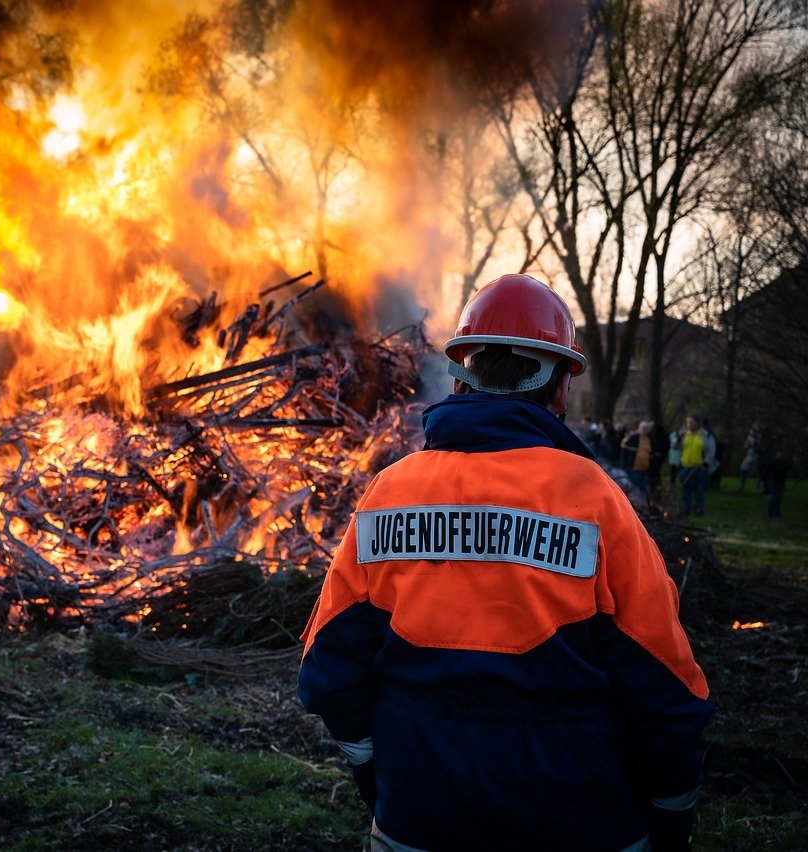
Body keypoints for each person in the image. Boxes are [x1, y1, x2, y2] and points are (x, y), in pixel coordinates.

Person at [298, 273, 713, 852]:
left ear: (460, 377)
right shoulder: (595, 500)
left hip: (418, 823)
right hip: (580, 828)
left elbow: (327, 671)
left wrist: (380, 781)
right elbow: (669, 691)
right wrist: (669, 824)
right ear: (561, 387)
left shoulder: (390, 492)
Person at [678, 415, 715, 517]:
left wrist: (706, 462)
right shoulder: (684, 435)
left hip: (699, 468)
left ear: (697, 423)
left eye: (691, 422)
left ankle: (699, 509)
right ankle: (686, 509)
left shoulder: (705, 435)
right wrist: (678, 437)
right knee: (686, 490)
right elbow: (676, 447)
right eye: (688, 422)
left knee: (699, 490)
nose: (689, 425)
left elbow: (711, 450)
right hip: (685, 466)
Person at [620, 419, 655, 499]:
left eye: (646, 428)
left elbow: (653, 454)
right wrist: (624, 464)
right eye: (642, 427)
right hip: (634, 469)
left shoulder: (650, 440)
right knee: (635, 490)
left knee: (645, 490)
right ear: (639, 428)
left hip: (645, 470)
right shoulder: (634, 438)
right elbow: (624, 448)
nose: (644, 429)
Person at [738, 424, 762, 492]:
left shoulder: (759, 436)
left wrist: (753, 442)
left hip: (757, 454)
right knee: (743, 469)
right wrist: (748, 443)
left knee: (758, 471)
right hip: (750, 454)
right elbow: (746, 446)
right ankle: (741, 486)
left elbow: (759, 445)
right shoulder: (749, 436)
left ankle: (758, 487)